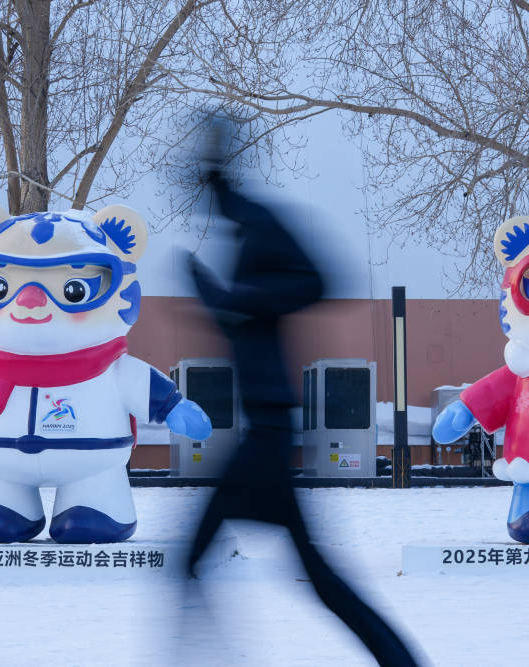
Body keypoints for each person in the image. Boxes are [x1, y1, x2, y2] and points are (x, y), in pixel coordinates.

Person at [186, 134, 419, 666]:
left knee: (195, 563)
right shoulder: (244, 233)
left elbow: (316, 282)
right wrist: (215, 297)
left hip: (268, 432)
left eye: (207, 177)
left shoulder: (262, 226)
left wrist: (230, 298)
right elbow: (243, 319)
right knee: (315, 576)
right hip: (264, 429)